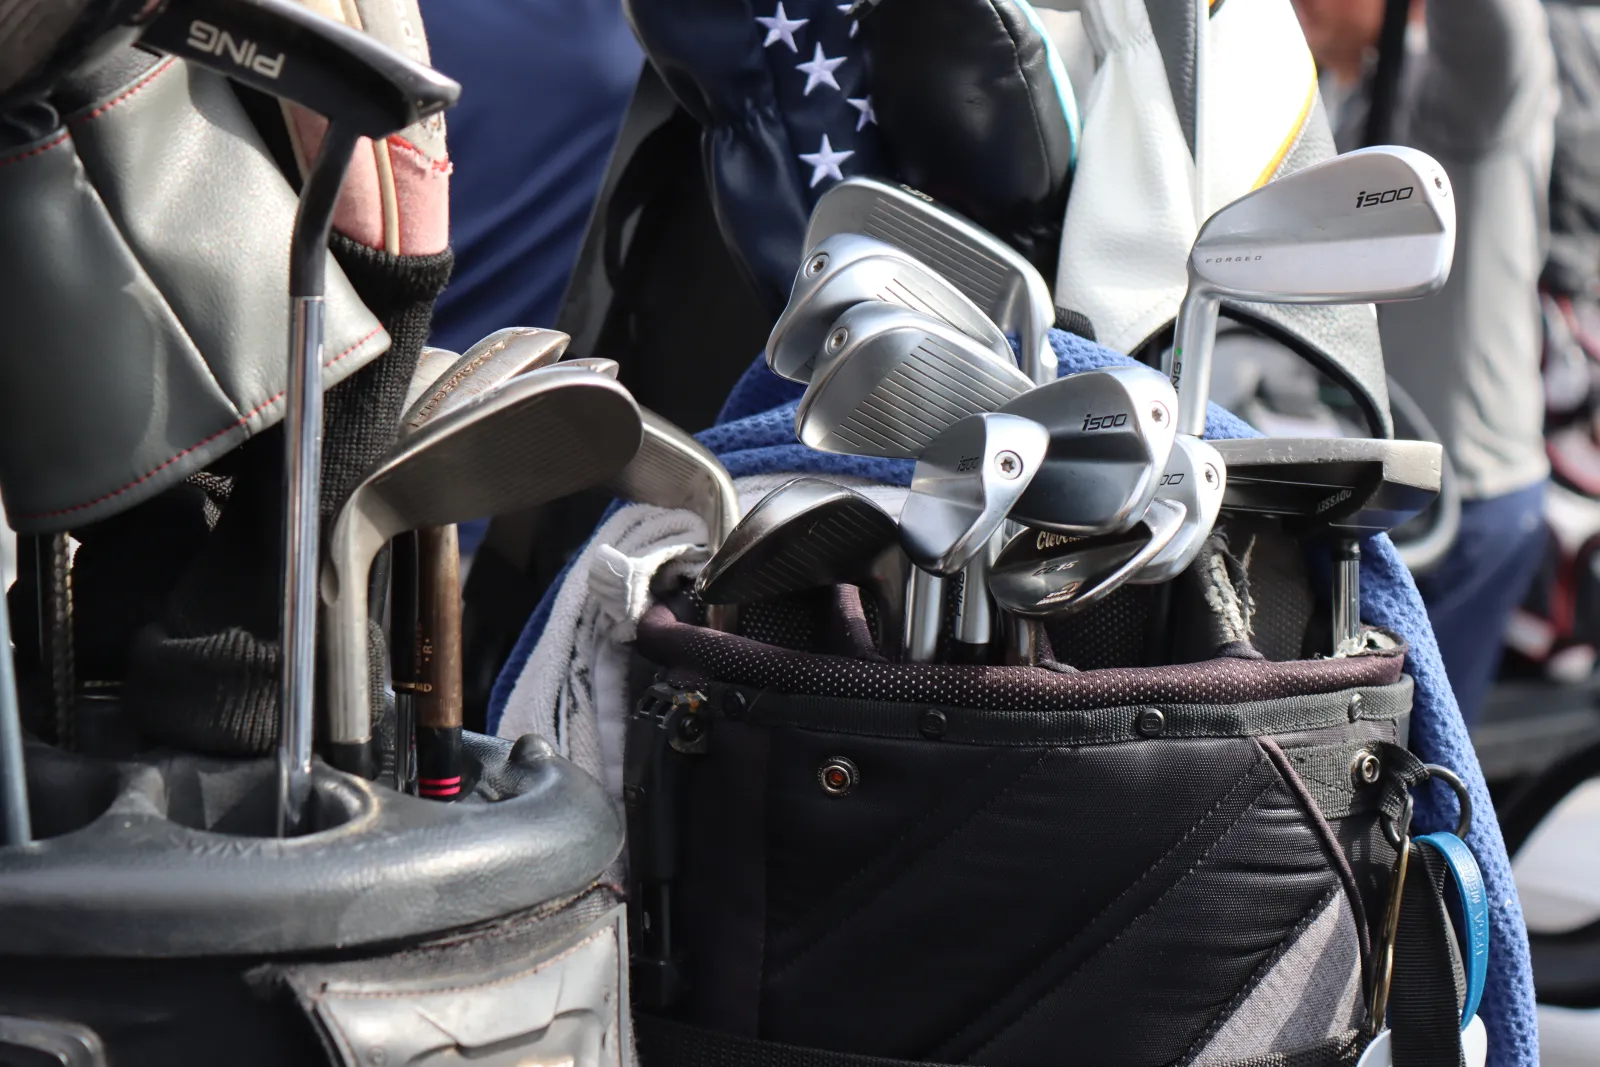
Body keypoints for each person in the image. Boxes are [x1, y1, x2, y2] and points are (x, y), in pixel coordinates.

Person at [1291, 0, 1556, 723]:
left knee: (1420, 779)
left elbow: (1492, 24)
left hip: (1467, 507)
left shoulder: (1460, 95)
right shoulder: (1334, 98)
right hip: (1382, 497)